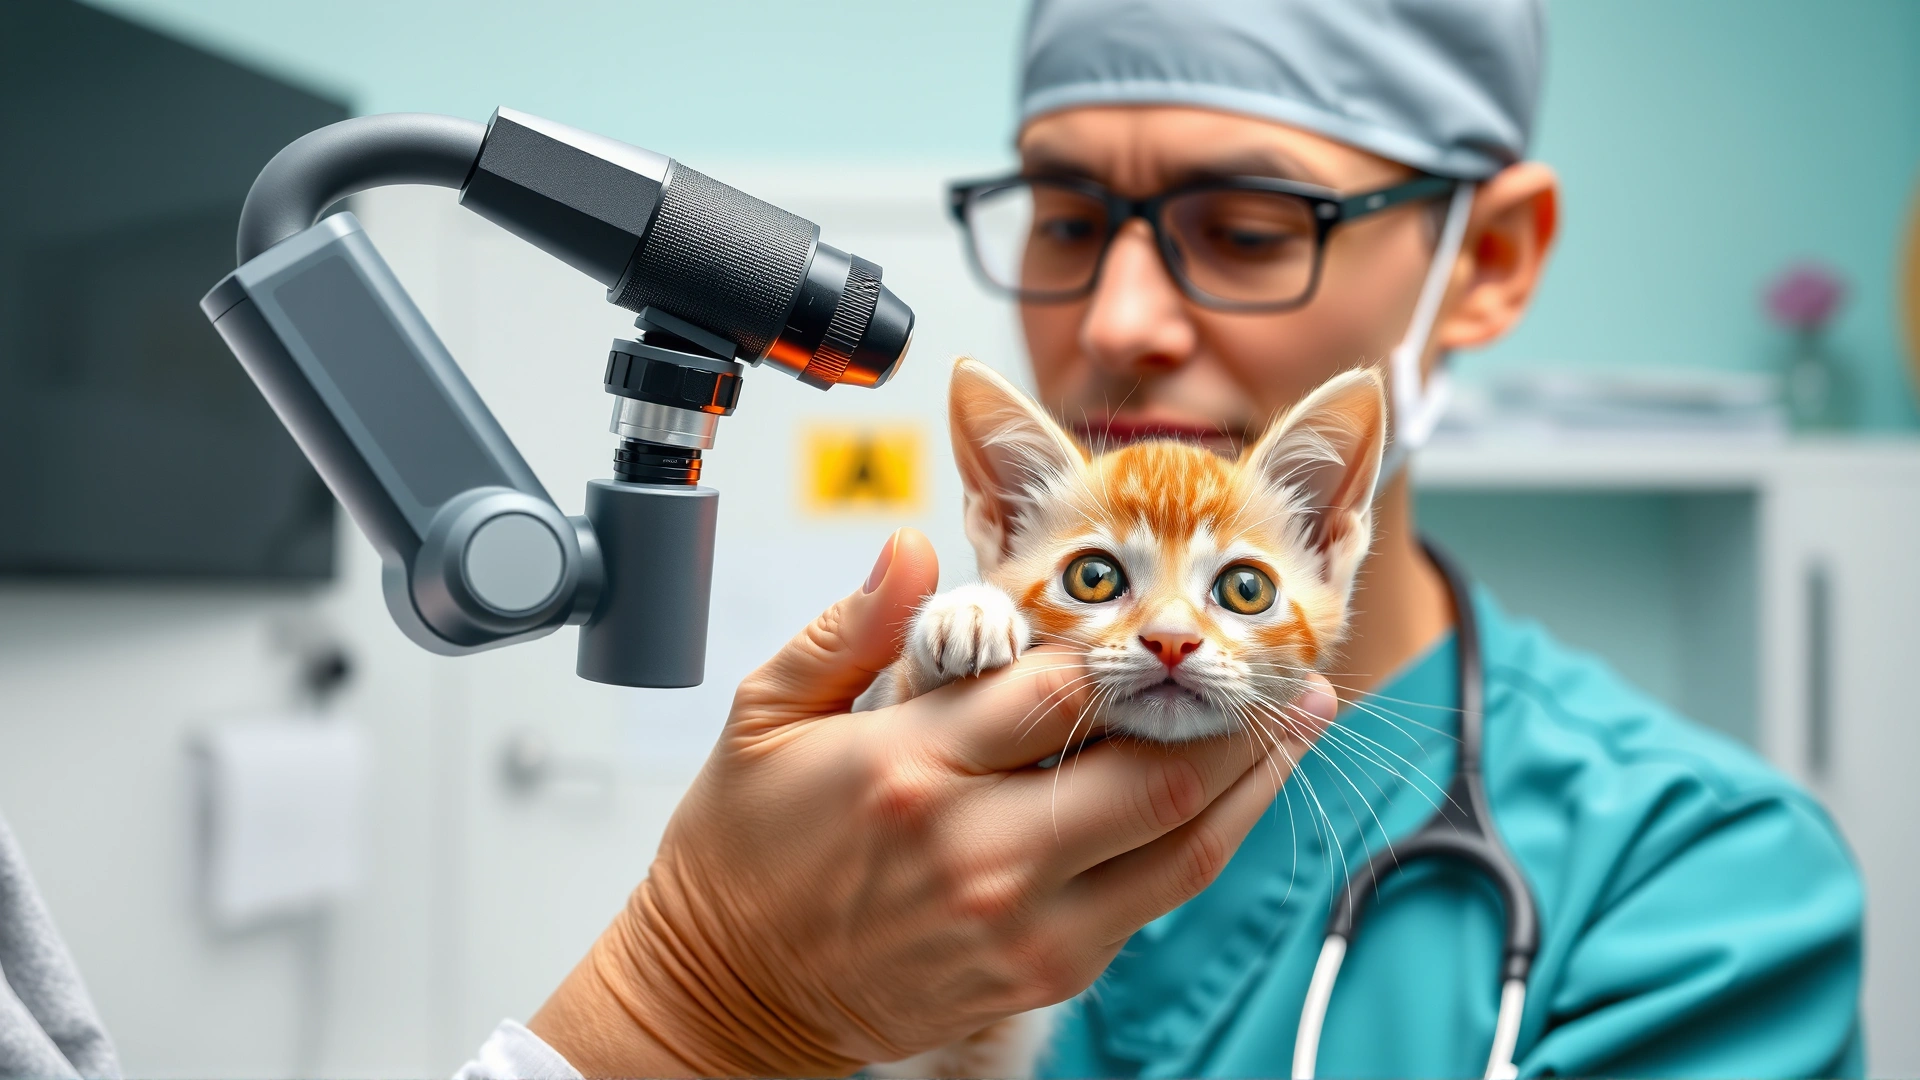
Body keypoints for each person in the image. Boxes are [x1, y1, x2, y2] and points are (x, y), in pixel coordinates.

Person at [0, 1, 1863, 1078]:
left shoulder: (1691, 886)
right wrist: (719, 1000)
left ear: (1495, 262)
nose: (1123, 321)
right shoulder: (889, 793)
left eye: (1244, 222)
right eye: (1065, 216)